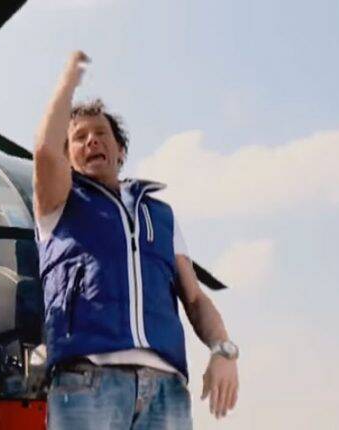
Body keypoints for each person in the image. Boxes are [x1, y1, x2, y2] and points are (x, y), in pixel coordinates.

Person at [33, 51, 240, 429]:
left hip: (166, 391)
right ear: (68, 156)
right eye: (79, 137)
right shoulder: (58, 205)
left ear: (121, 150)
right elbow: (45, 152)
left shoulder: (161, 215)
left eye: (101, 134)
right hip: (87, 382)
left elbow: (195, 299)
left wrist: (223, 349)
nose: (92, 141)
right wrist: (69, 82)